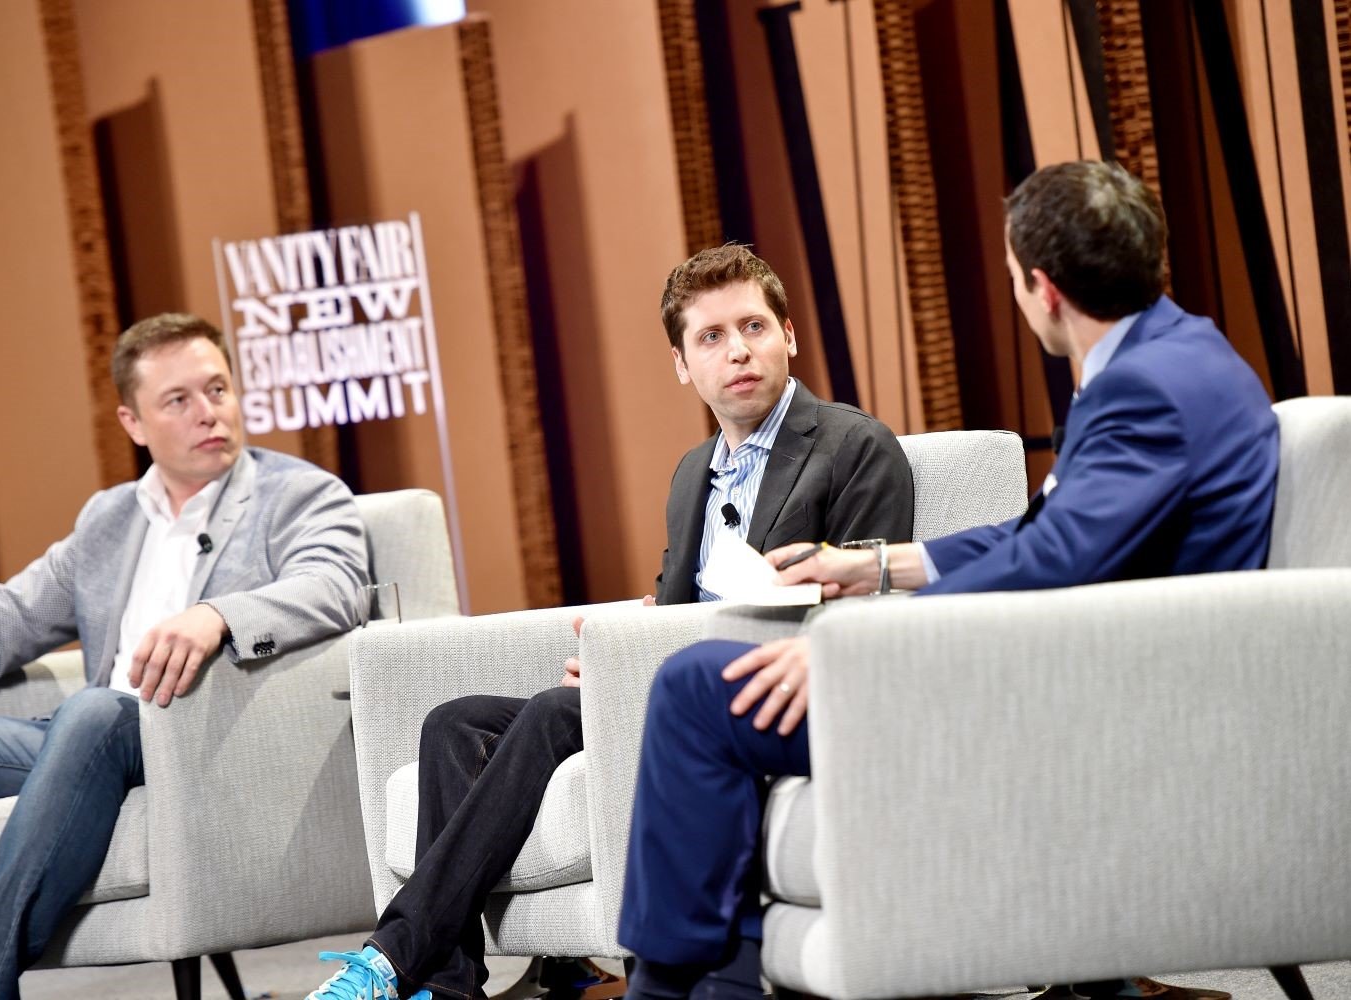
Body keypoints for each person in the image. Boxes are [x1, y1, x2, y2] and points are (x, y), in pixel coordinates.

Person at [618, 161, 1279, 1000]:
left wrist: (868, 644)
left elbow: (1053, 560)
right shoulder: (1186, 353)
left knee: (692, 691)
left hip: (1090, 700)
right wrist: (881, 565)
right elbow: (1049, 531)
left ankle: (676, 990)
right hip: (1097, 662)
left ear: (1041, 289)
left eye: (1008, 277)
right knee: (701, 684)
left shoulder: (1143, 389)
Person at [304, 244, 914, 1000]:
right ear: (683, 366)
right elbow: (672, 599)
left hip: (760, 692)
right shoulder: (695, 471)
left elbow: (867, 614)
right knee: (453, 724)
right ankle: (450, 985)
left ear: (789, 335)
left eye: (753, 327)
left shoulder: (856, 448)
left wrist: (632, 666)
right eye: (711, 337)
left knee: (559, 711)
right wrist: (616, 658)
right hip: (665, 684)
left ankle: (391, 958)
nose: (738, 351)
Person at [0, 314, 370, 1000]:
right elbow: (5, 612)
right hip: (85, 743)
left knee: (96, 710)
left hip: (193, 736)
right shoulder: (111, 519)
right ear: (133, 423)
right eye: (178, 401)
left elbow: (334, 587)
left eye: (217, 389)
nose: (208, 412)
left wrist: (217, 616)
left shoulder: (297, 494)